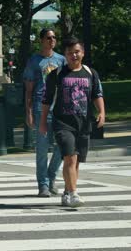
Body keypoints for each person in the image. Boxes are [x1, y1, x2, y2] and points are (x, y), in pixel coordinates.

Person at [40, 36, 105, 207]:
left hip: (83, 123)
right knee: (69, 157)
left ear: (82, 53)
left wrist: (102, 112)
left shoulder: (91, 73)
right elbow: (46, 99)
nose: (73, 55)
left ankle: (68, 191)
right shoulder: (57, 74)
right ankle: (74, 194)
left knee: (75, 161)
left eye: (77, 52)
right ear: (65, 55)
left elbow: (97, 94)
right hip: (62, 123)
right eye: (70, 53)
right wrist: (42, 122)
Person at [24, 28, 66, 197]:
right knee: (42, 149)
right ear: (41, 40)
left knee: (62, 146)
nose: (52, 40)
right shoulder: (34, 61)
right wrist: (28, 111)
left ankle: (51, 177)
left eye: (54, 37)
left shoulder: (61, 60)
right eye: (48, 37)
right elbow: (28, 89)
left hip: (60, 108)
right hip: (40, 108)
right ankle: (43, 185)